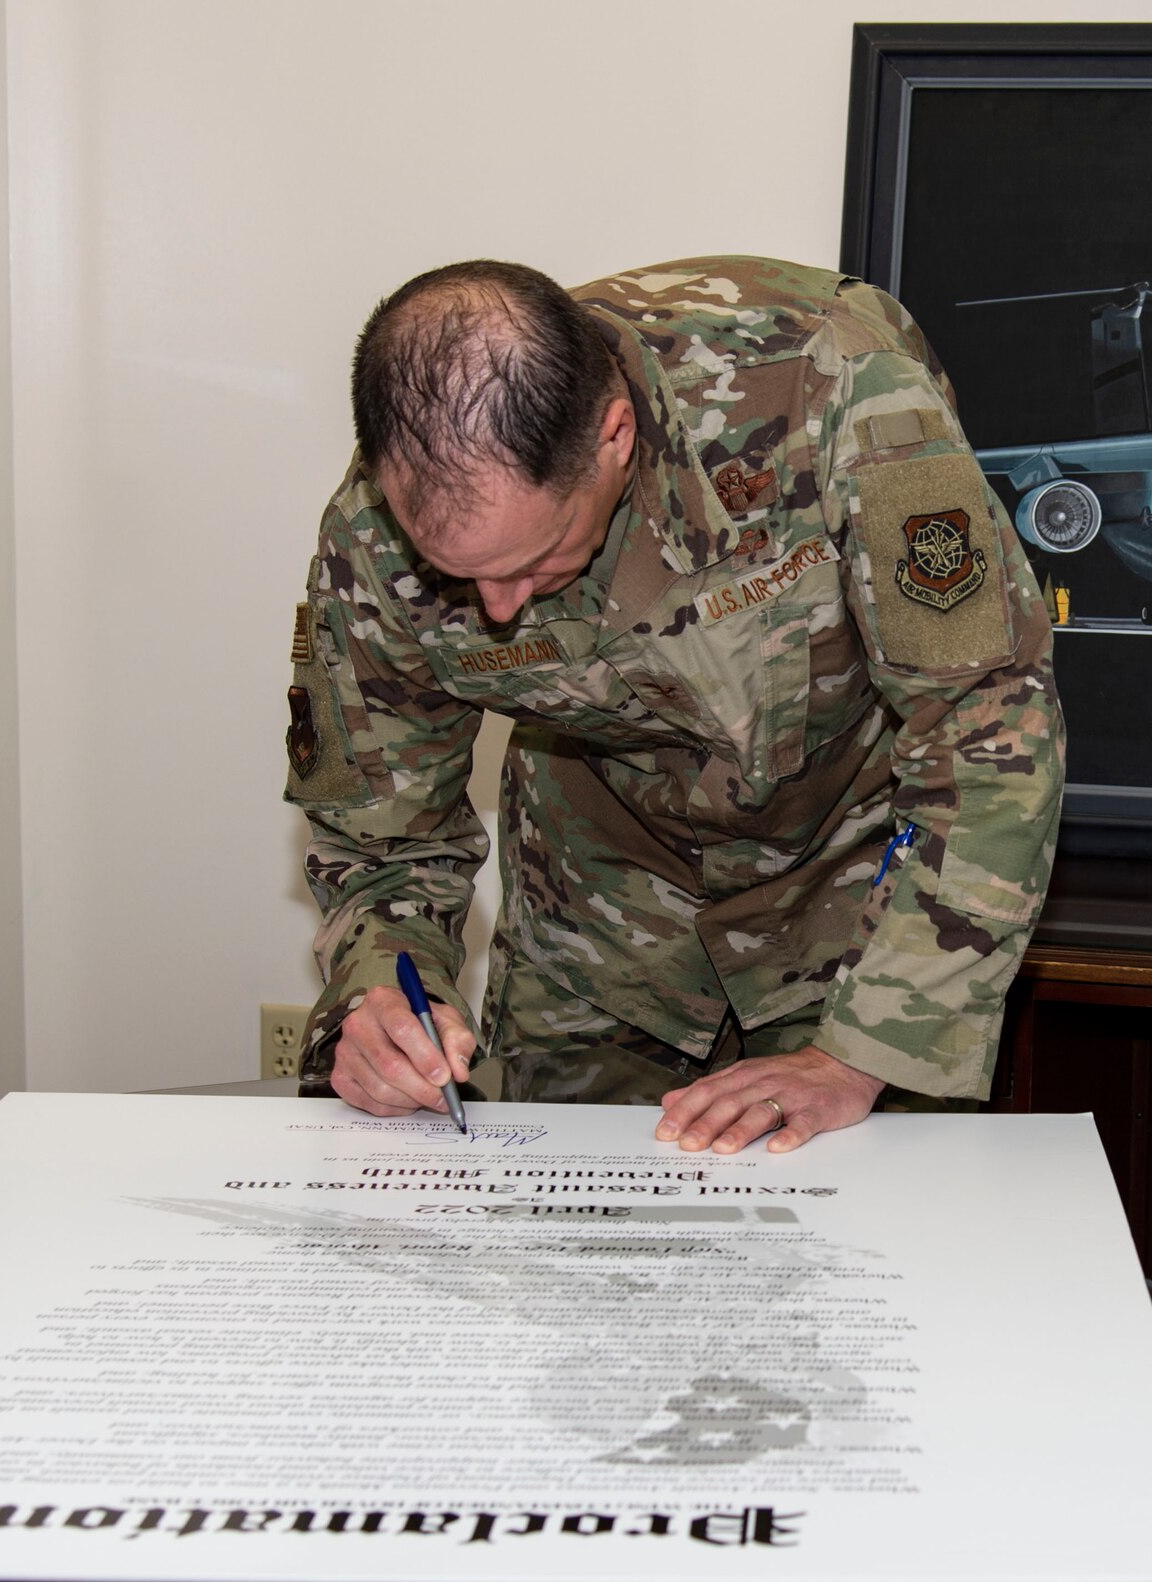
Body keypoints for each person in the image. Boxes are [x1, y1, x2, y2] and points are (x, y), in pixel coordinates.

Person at [284, 256, 1063, 1155]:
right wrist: (387, 992)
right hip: (599, 923)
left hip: (861, 912)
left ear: (614, 436)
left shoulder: (835, 386)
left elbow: (989, 732)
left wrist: (861, 1052)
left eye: (535, 562)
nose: (498, 608)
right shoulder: (372, 533)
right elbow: (380, 834)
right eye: (460, 578)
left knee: (867, 1259)